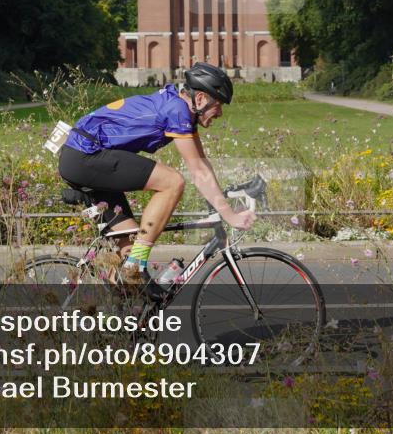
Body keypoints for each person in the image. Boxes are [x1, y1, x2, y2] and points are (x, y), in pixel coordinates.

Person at [57, 63, 255, 288]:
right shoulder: (177, 110)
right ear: (200, 99)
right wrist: (229, 215)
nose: (219, 113)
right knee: (172, 182)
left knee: (130, 252)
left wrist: (224, 205)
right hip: (85, 156)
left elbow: (202, 165)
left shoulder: (181, 111)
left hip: (83, 158)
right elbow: (197, 172)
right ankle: (135, 266)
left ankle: (119, 307)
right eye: (218, 105)